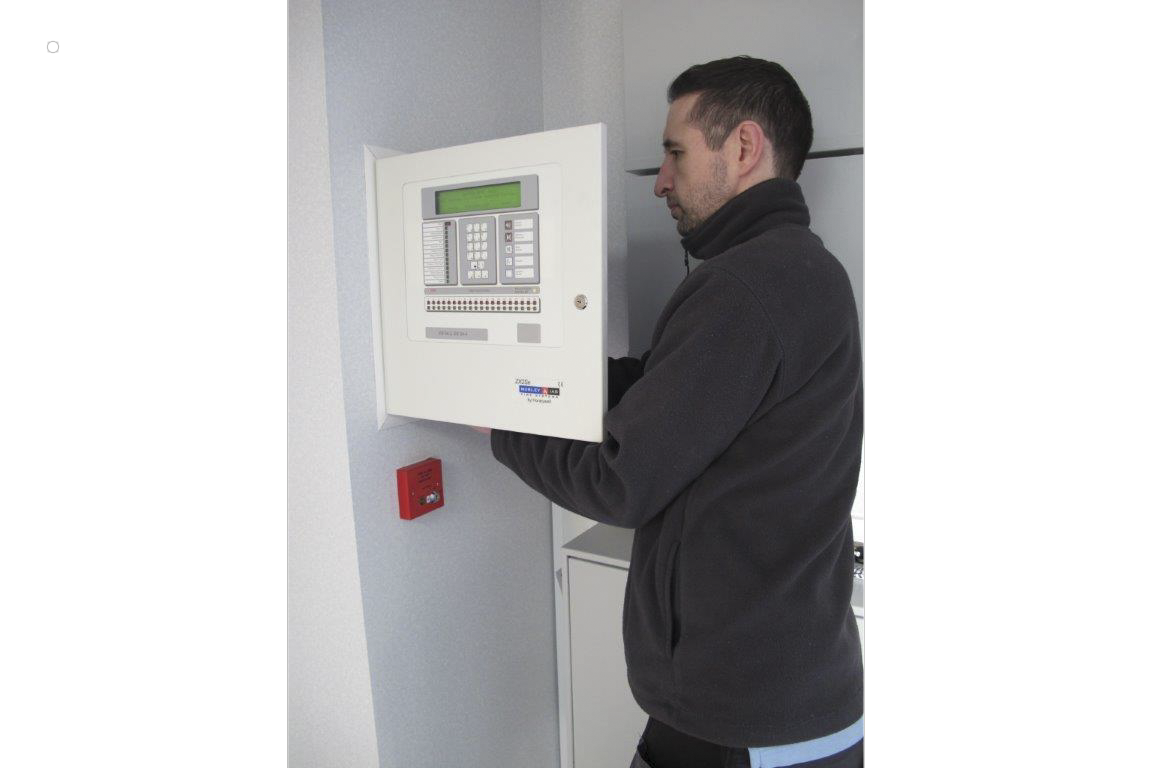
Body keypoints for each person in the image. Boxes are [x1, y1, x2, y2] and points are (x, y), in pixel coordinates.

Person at [486, 56, 863, 767]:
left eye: (674, 152)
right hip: (782, 699)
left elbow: (618, 481)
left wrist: (502, 423)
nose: (660, 179)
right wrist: (549, 380)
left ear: (744, 148)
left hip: (748, 722)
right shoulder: (801, 269)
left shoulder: (743, 285)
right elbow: (670, 386)